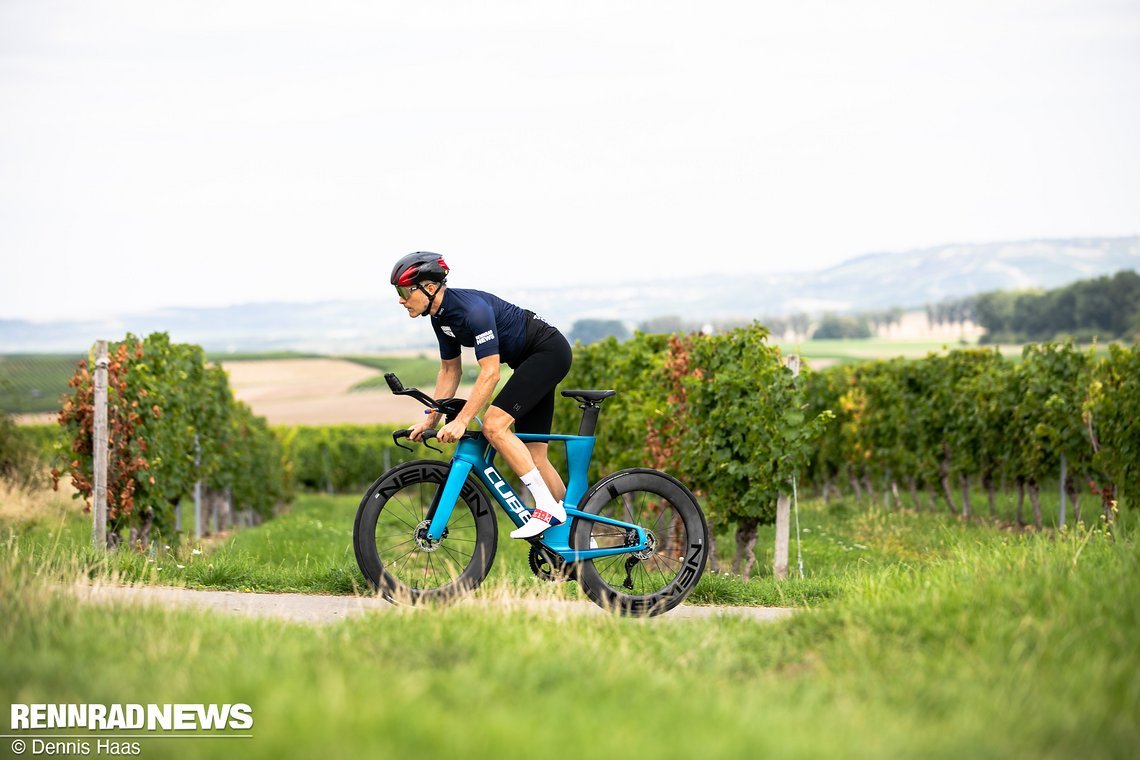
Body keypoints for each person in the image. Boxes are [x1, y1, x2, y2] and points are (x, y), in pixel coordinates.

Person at [390, 251, 573, 539]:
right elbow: (450, 372)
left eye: (403, 291)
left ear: (428, 287)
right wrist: (430, 421)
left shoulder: (471, 310)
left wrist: (462, 420)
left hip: (547, 352)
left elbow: (490, 373)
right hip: (529, 362)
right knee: (536, 457)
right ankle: (578, 533)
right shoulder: (440, 318)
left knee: (493, 425)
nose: (400, 299)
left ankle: (547, 507)